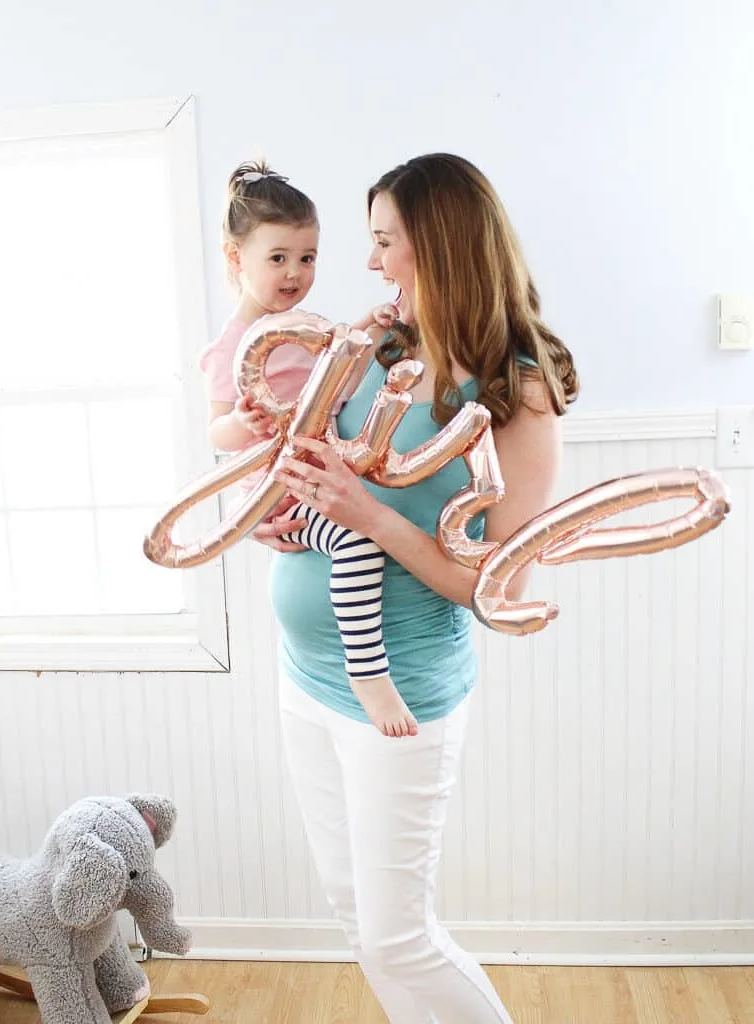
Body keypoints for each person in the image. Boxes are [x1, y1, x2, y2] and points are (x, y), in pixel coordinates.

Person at [256, 153, 579, 1023]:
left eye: (385, 240)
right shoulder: (380, 346)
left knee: (398, 937)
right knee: (359, 923)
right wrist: (280, 510)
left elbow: (499, 589)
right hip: (304, 678)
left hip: (399, 692)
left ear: (437, 246)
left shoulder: (517, 386)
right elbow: (324, 471)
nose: (371, 262)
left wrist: (371, 520)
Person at [199, 160, 418, 737]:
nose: (295, 272)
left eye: (308, 257)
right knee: (357, 544)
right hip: (281, 495)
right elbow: (215, 432)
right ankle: (368, 671)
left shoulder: (308, 327)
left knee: (360, 534)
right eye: (278, 258)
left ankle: (363, 668)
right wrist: (243, 421)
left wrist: (367, 330)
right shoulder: (231, 349)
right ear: (234, 258)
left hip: (312, 479)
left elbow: (339, 383)